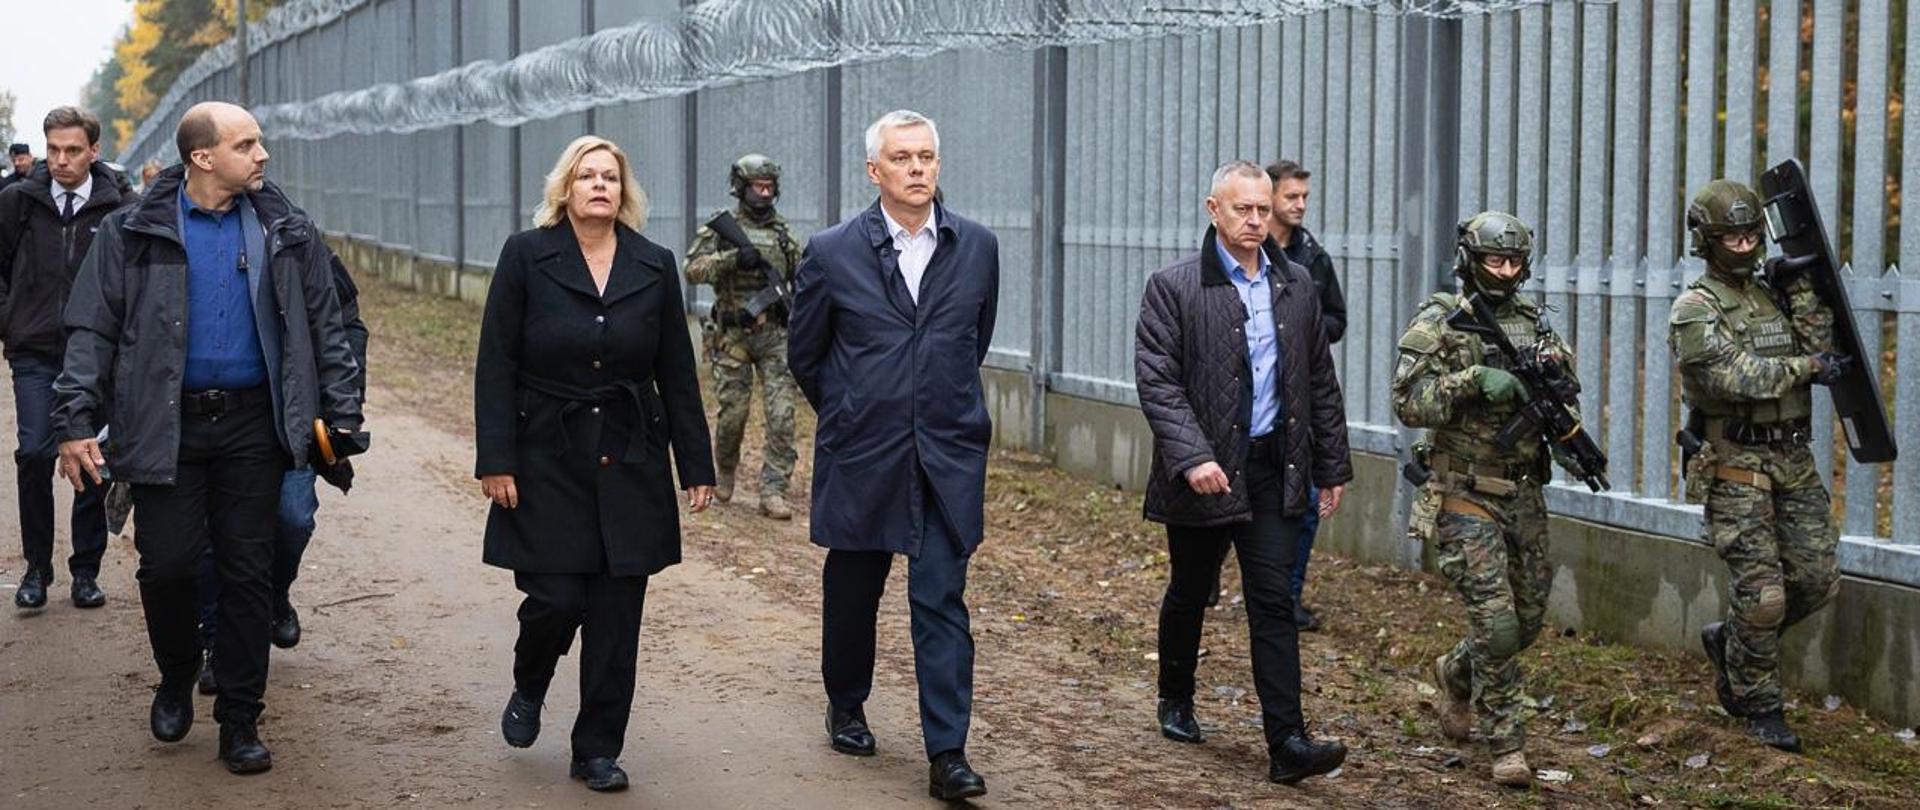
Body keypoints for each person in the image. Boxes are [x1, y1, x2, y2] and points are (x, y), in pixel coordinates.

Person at [52, 101, 364, 774]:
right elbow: (92, 330)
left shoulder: (286, 229)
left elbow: (326, 327)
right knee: (165, 566)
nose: (263, 155)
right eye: (247, 144)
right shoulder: (135, 233)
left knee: (248, 572)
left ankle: (240, 720)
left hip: (254, 425)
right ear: (203, 158)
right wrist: (76, 421)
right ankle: (174, 674)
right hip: (165, 423)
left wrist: (342, 413)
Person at [475, 134, 715, 793]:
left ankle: (597, 749)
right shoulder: (527, 257)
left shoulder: (654, 264)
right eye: (587, 177)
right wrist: (496, 459)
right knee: (554, 597)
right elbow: (496, 363)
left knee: (616, 616)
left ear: (624, 190)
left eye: (610, 177)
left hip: (630, 457)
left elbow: (677, 373)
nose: (600, 186)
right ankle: (531, 679)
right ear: (566, 189)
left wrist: (696, 464)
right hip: (546, 452)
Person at [788, 110, 999, 801]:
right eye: (902, 158)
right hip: (864, 453)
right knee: (854, 589)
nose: (917, 169)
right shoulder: (831, 250)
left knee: (940, 597)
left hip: (946, 453)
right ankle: (845, 701)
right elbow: (806, 353)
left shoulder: (977, 248)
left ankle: (948, 754)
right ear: (875, 171)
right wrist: (855, 410)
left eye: (927, 156)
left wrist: (935, 405)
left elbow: (975, 340)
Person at [1134, 160, 1352, 786]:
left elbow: (1318, 381)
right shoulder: (1174, 286)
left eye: (1263, 209)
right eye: (1243, 209)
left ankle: (1288, 742)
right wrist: (1193, 456)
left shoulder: (1298, 286)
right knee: (1192, 588)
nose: (1256, 220)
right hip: (1203, 471)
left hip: (1272, 469)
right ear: (1213, 209)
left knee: (1273, 602)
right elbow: (1158, 381)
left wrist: (1331, 463)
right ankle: (1175, 693)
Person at [1390, 211, 1581, 787]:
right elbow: (1408, 401)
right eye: (1495, 260)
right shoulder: (1444, 319)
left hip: (1522, 491)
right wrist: (1470, 382)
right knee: (1497, 625)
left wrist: (1568, 432)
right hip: (1463, 491)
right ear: (1471, 260)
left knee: (1524, 623)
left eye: (1514, 261)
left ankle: (1455, 672)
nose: (1505, 270)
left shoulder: (1535, 323)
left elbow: (1561, 392)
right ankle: (1507, 747)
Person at [1671, 180, 1847, 753]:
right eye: (1732, 237)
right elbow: (1731, 376)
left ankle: (1733, 642)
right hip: (1734, 459)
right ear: (1707, 240)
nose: (1745, 246)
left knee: (1816, 580)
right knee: (1764, 593)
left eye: (1752, 235)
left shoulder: (1770, 294)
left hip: (1791, 455)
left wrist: (1801, 292)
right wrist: (1805, 368)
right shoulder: (1695, 307)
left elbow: (1823, 348)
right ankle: (1757, 703)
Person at [194, 248, 368, 695]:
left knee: (293, 517)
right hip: (217, 422)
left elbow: (348, 323)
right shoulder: (190, 236)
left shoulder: (295, 238)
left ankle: (273, 594)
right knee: (215, 535)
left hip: (290, 418)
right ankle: (216, 642)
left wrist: (342, 401)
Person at [0, 107, 125, 610]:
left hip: (95, 355)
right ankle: (36, 568)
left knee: (92, 459)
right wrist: (9, 317)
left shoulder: (117, 207)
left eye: (73, 150)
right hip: (33, 348)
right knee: (34, 453)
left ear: (94, 151)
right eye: (53, 149)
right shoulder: (17, 203)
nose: (60, 160)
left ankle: (85, 571)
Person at [684, 154, 801, 519]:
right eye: (757, 187)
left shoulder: (783, 234)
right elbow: (691, 270)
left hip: (774, 336)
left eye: (769, 187)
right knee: (733, 413)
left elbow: (805, 277)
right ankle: (726, 469)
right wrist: (732, 259)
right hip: (731, 336)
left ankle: (774, 490)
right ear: (741, 188)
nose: (763, 194)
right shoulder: (721, 229)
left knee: (781, 415)